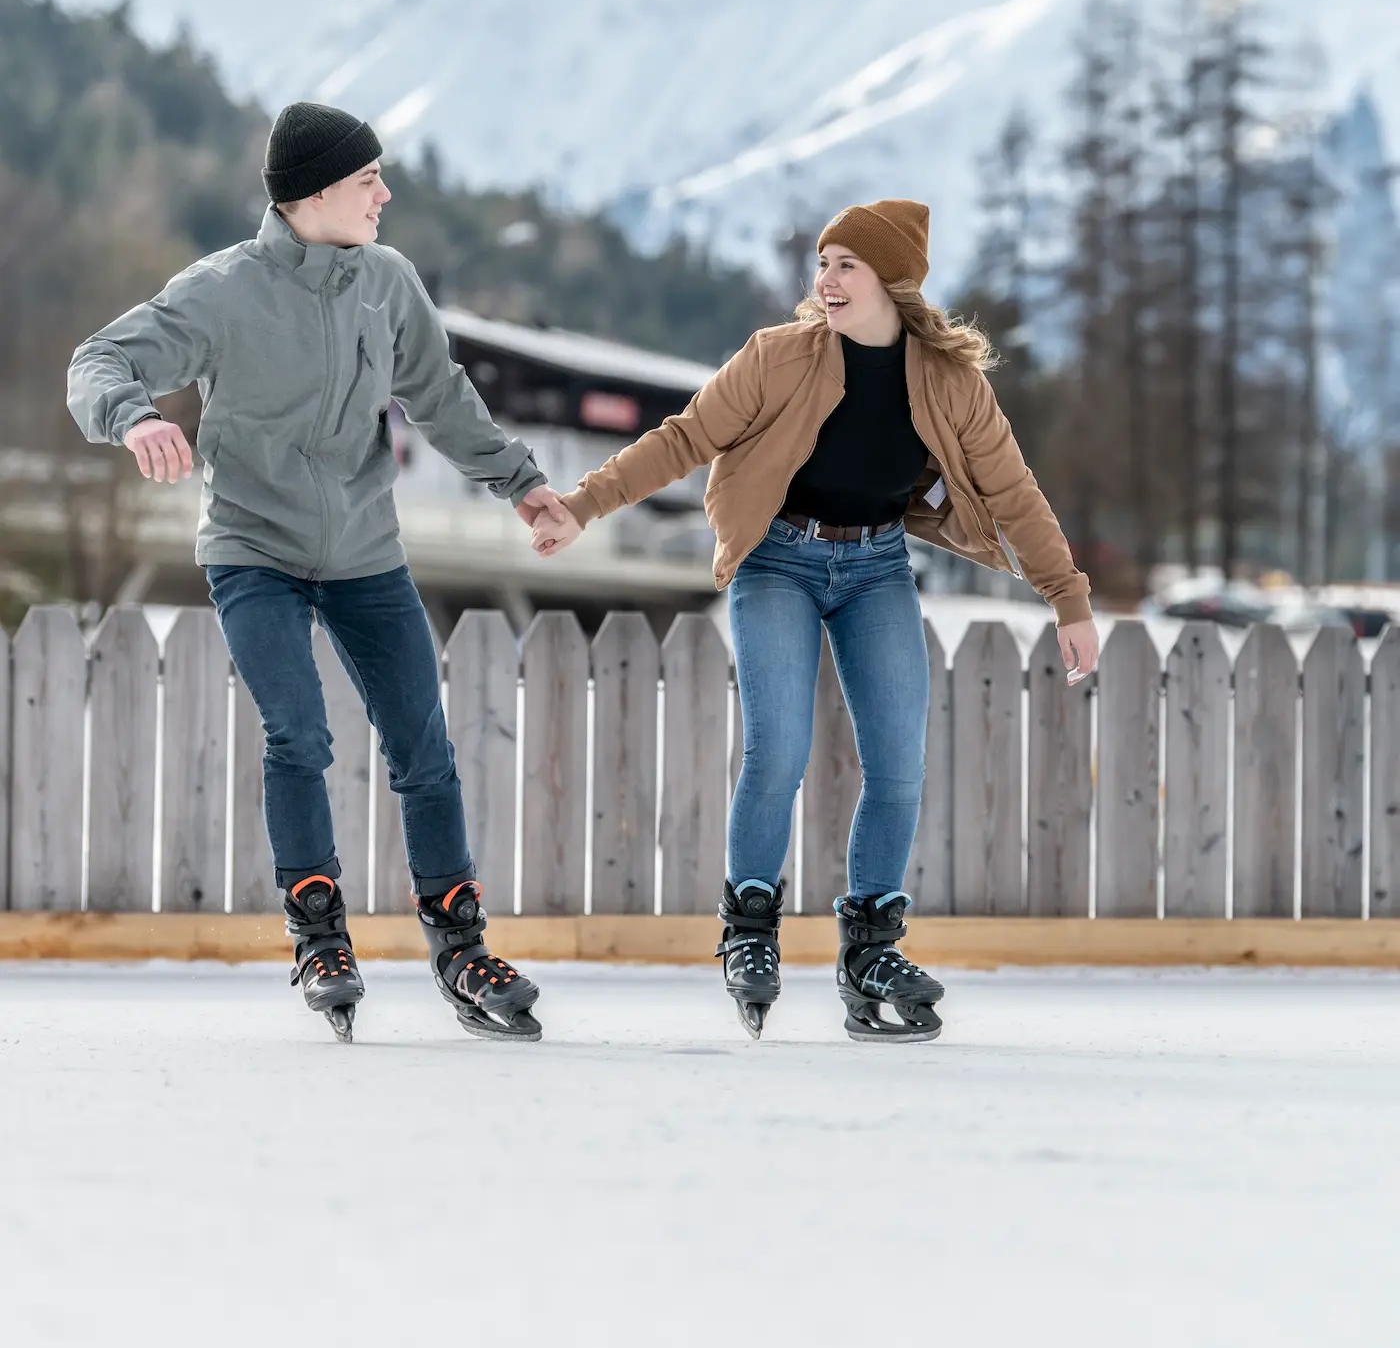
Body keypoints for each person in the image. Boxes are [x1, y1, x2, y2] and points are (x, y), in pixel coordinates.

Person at [529, 198, 1098, 1043]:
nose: (825, 281)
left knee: (900, 763)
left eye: (846, 266)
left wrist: (1068, 598)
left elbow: (1014, 494)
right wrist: (582, 506)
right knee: (779, 749)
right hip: (777, 562)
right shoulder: (778, 357)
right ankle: (750, 929)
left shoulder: (950, 385)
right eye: (823, 263)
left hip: (876, 569)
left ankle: (871, 945)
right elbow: (685, 438)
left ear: (891, 282)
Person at [67, 100, 566, 1044]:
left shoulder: (388, 281)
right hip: (254, 549)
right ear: (317, 192)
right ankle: (319, 933)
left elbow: (440, 393)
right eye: (369, 178)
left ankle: (460, 948)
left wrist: (520, 483)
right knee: (298, 733)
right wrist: (135, 416)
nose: (386, 193)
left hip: (367, 555)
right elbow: (99, 360)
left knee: (424, 745)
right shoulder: (223, 290)